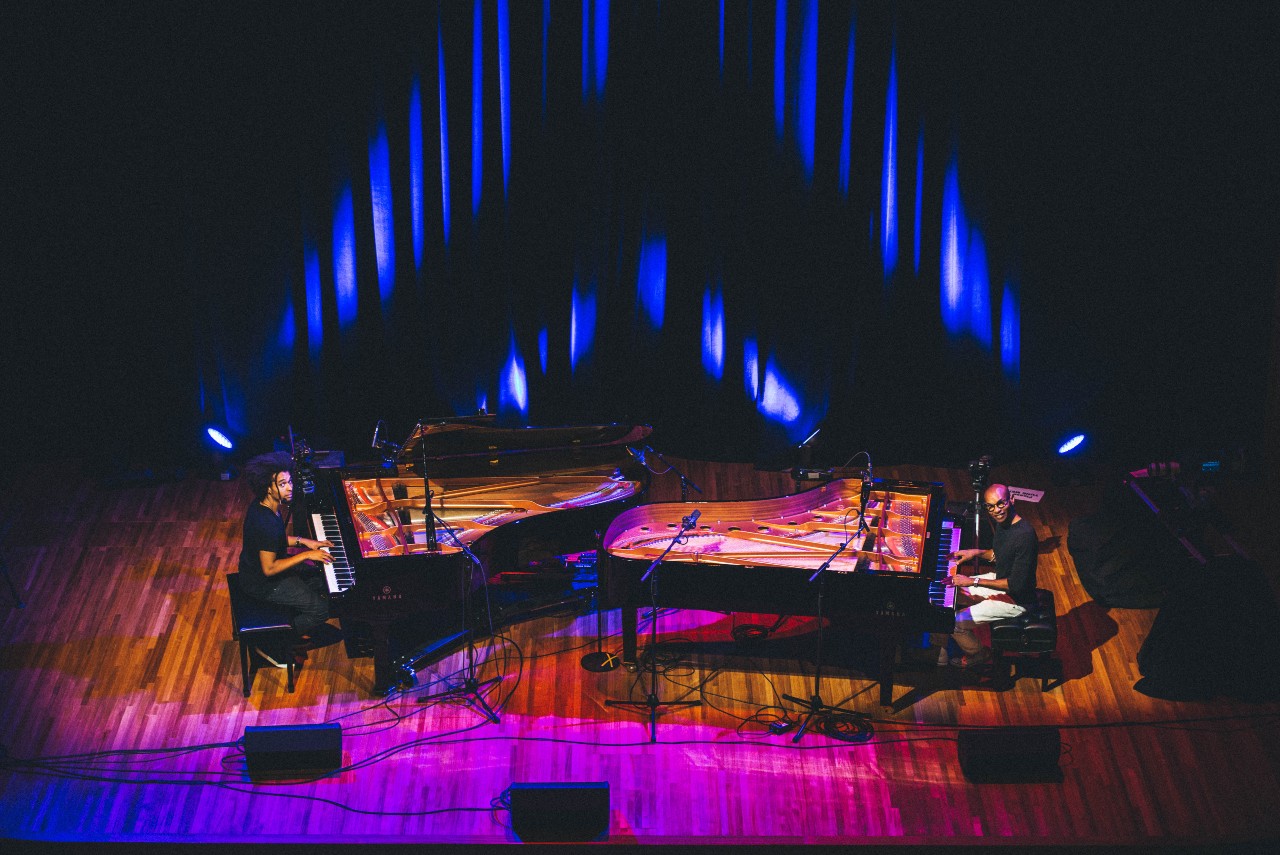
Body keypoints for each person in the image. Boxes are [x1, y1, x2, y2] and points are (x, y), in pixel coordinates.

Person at [237, 451, 336, 663]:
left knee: (320, 580)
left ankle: (292, 616)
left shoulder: (266, 506)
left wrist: (305, 542)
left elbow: (277, 540)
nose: (290, 488)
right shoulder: (265, 522)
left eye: (289, 482)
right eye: (282, 484)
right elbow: (269, 569)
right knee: (321, 611)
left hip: (258, 571)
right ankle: (275, 641)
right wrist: (307, 554)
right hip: (263, 584)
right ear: (268, 487)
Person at [941, 482, 1038, 668]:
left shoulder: (1025, 536)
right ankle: (938, 645)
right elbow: (999, 554)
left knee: (952, 622)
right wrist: (975, 552)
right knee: (951, 592)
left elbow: (1015, 585)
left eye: (1001, 503)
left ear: (1012, 500)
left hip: (1017, 600)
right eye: (991, 507)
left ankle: (980, 654)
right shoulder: (1004, 524)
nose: (996, 511)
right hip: (1002, 582)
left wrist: (973, 581)